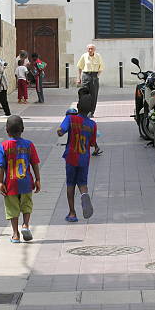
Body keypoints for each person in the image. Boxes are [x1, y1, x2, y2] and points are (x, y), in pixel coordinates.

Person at [0, 115, 41, 243]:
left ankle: (15, 234)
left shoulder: (3, 146)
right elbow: (35, 163)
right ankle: (25, 225)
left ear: (6, 130)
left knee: (12, 208)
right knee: (26, 205)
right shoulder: (29, 145)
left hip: (10, 183)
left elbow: (1, 166)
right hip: (26, 182)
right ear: (23, 129)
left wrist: (0, 182)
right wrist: (37, 179)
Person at [57, 94, 97, 222]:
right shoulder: (92, 124)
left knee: (70, 184)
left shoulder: (71, 119)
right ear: (91, 109)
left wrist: (62, 129)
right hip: (84, 158)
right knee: (82, 183)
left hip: (71, 156)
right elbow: (91, 143)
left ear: (78, 106)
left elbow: (60, 132)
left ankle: (72, 213)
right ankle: (84, 195)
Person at [66, 87, 103, 156]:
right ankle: (95, 147)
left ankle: (91, 147)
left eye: (79, 95)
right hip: (85, 122)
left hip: (84, 122)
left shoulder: (84, 102)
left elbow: (82, 113)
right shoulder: (87, 101)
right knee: (90, 135)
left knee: (86, 135)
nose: (79, 97)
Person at [76, 44, 104, 117]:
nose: (90, 50)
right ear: (87, 49)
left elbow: (101, 67)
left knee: (93, 95)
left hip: (94, 76)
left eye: (92, 49)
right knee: (84, 94)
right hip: (85, 75)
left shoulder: (98, 56)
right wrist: (78, 77)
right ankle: (83, 111)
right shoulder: (84, 56)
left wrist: (96, 76)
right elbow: (79, 67)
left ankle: (91, 112)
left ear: (94, 49)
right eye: (89, 49)